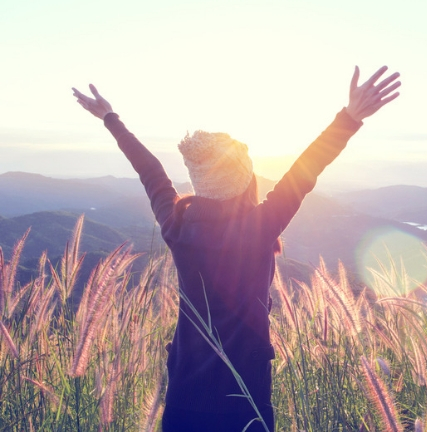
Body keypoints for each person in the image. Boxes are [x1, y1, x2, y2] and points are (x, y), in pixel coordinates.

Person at [72, 66, 400, 431]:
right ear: (246, 180)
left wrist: (110, 118)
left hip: (185, 395)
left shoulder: (177, 225)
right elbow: (304, 171)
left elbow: (150, 170)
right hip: (245, 399)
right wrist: (350, 117)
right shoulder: (258, 228)